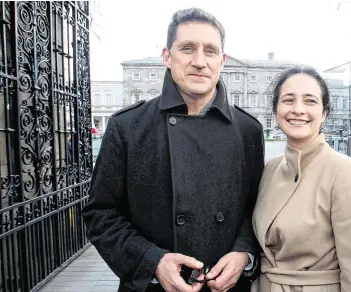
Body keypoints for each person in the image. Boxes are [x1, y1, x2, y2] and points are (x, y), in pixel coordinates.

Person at [82, 8, 264, 292]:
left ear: (223, 61)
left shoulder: (248, 130)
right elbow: (101, 214)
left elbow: (257, 209)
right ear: (167, 56)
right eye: (188, 48)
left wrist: (245, 252)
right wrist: (152, 261)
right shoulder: (127, 126)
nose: (199, 62)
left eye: (210, 51)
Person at [251, 67, 351, 292]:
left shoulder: (347, 172)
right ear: (276, 109)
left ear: (324, 113)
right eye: (288, 100)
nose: (298, 109)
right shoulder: (271, 168)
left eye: (310, 101)